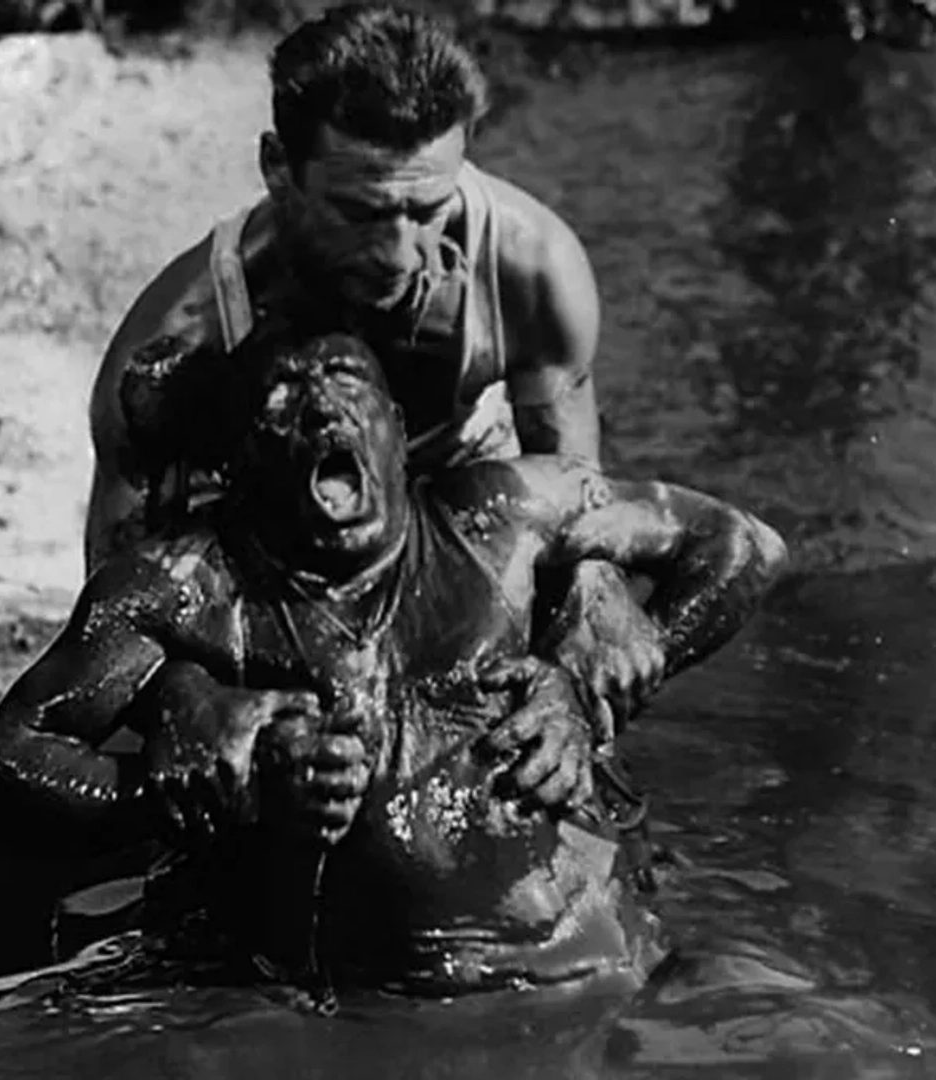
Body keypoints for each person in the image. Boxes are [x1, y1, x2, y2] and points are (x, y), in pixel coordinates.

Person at [0, 329, 789, 1000]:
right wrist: (187, 794)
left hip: (589, 970)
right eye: (282, 399)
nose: (320, 410)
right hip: (310, 1001)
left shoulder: (503, 519)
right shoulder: (185, 590)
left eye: (348, 383)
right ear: (235, 466)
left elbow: (742, 546)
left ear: (396, 426)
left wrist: (589, 689)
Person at [83, 3, 657, 735]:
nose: (398, 254)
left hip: (459, 499)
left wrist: (595, 596)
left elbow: (570, 487)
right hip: (272, 530)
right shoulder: (176, 347)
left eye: (426, 210)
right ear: (277, 168)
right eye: (360, 213)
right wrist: (189, 704)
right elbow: (114, 612)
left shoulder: (530, 268)